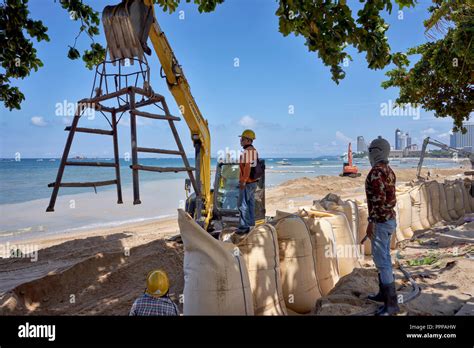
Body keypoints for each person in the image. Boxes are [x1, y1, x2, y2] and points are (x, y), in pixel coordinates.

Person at [365, 136, 400, 316]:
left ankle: (391, 305)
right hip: (389, 220)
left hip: (381, 221)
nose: (368, 154)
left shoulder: (376, 172)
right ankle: (382, 295)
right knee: (384, 257)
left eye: (370, 150)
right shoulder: (389, 170)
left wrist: (371, 222)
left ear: (376, 152)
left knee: (382, 262)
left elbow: (378, 201)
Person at [237, 129, 259, 234]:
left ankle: (243, 227)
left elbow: (247, 168)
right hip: (252, 182)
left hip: (248, 182)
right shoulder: (253, 150)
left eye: (242, 139)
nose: (240, 140)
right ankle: (251, 225)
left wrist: (243, 181)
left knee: (243, 205)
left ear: (248, 140)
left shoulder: (249, 151)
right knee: (250, 204)